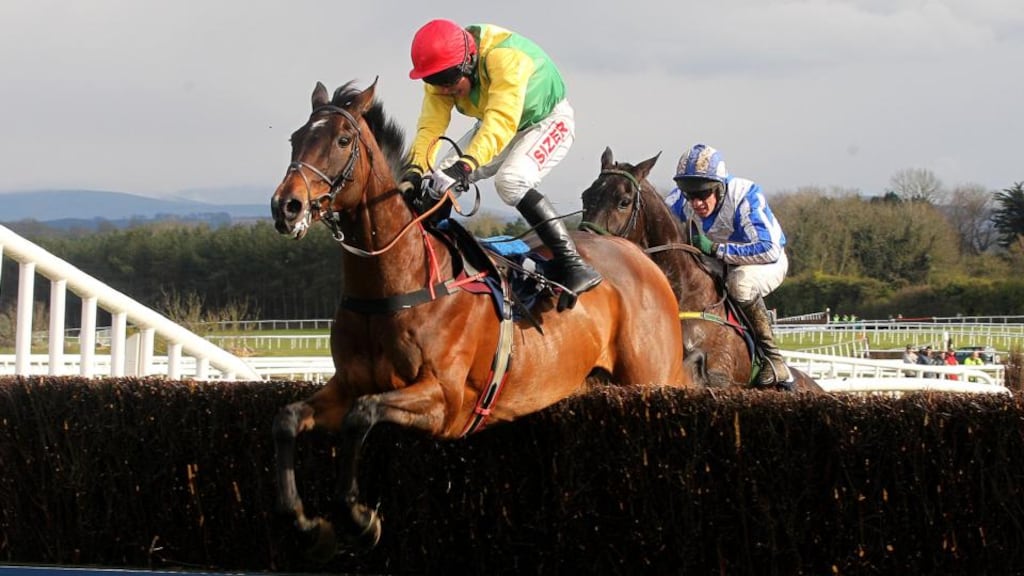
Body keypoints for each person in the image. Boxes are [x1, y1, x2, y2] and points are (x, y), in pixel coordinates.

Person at [400, 19, 601, 310]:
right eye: (435, 83)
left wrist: (467, 165)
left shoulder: (504, 58)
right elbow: (430, 127)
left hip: (545, 121)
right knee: (437, 178)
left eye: (448, 83)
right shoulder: (442, 71)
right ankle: (433, 265)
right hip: (502, 123)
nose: (443, 91)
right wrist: (416, 169)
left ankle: (574, 265)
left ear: (468, 64)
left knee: (510, 181)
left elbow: (501, 120)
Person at [666, 143, 792, 388]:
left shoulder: (745, 195)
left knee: (739, 283)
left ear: (719, 188)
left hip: (765, 262)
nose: (696, 203)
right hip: (719, 260)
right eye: (689, 195)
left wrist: (716, 249)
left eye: (703, 194)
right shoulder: (682, 200)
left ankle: (774, 359)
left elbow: (768, 248)